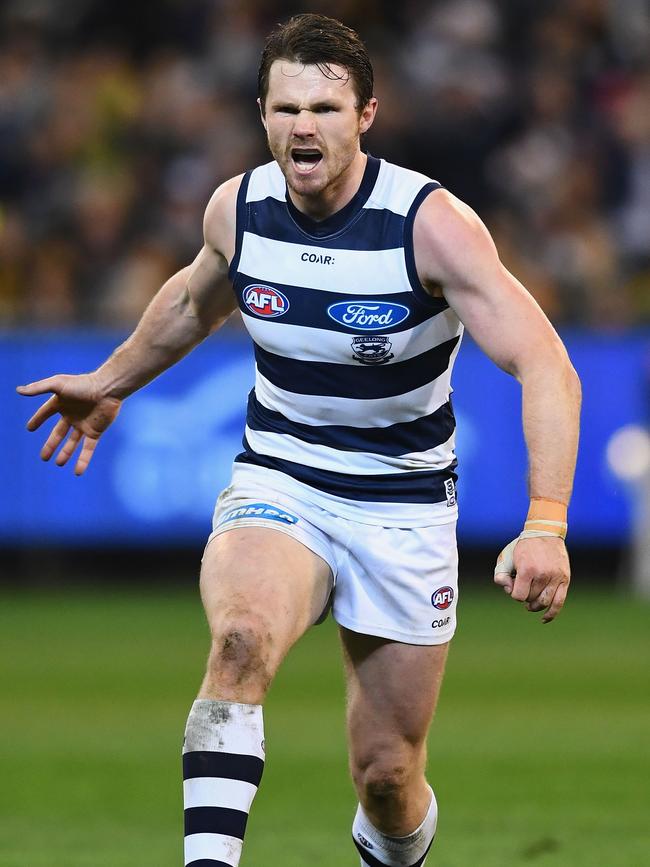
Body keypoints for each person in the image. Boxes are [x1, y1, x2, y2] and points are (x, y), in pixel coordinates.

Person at [17, 13, 581, 867]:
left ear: (366, 116)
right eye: (285, 108)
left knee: (387, 774)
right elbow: (191, 301)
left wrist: (546, 520)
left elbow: (546, 364)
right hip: (281, 476)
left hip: (403, 504)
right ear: (262, 113)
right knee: (239, 640)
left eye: (323, 107)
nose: (302, 127)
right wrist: (110, 382)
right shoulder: (238, 208)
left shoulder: (429, 225)